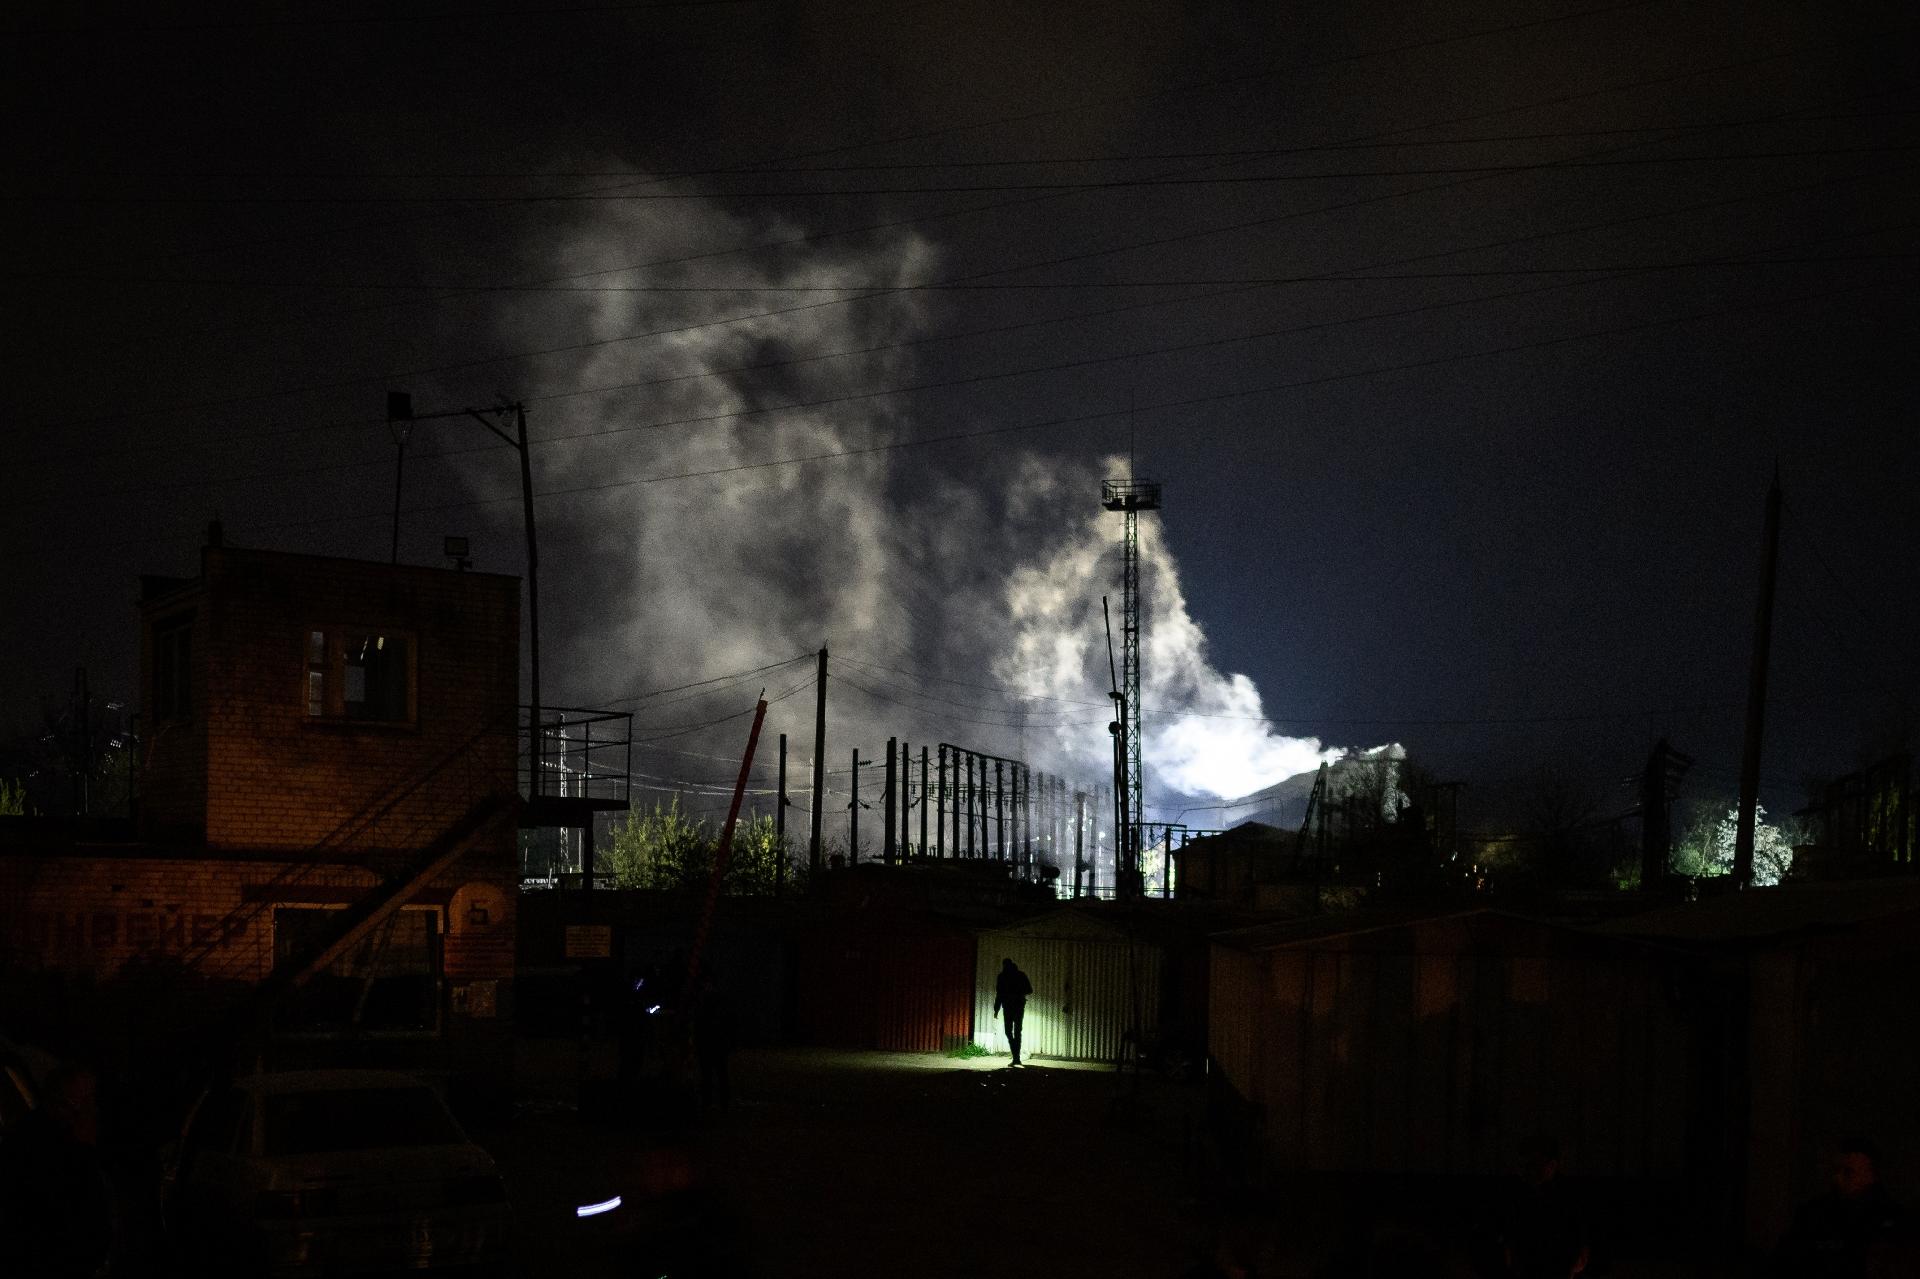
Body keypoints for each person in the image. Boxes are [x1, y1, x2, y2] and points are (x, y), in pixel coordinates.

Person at [1774, 1135, 1902, 1278]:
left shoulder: (1891, 1219)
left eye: (1848, 1172)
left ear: (1870, 1175)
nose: (1837, 1178)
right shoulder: (1813, 1214)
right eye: (1836, 1171)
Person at [1494, 1135, 1588, 1279]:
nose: (1529, 1171)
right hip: (1529, 1263)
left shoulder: (1568, 1195)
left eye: (1535, 1165)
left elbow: (1578, 1228)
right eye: (1525, 1166)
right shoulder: (1517, 1192)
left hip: (1555, 1263)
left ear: (1552, 1165)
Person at [993, 958, 1033, 1067]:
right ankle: (1016, 1057)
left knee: (1009, 1031)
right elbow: (1029, 990)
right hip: (1018, 1006)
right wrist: (1019, 994)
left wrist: (996, 1010)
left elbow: (999, 994)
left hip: (1009, 1007)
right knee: (1016, 1032)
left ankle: (1016, 1057)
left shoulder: (1002, 977)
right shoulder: (1020, 975)